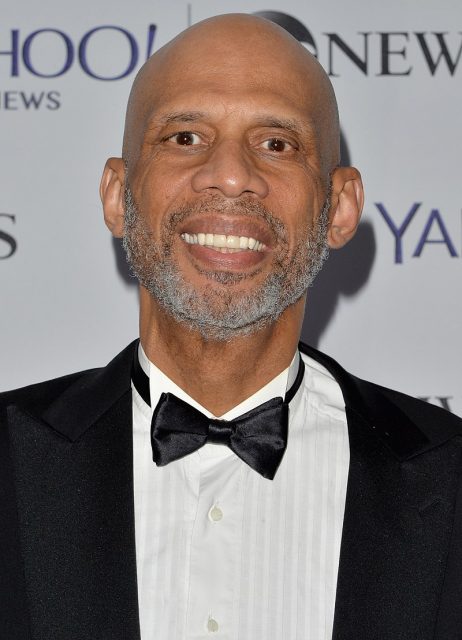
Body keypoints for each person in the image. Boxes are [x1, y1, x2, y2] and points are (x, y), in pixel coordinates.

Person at [1, 13, 461, 640]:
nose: (233, 175)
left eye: (276, 144)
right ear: (117, 194)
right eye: (185, 137)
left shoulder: (451, 478)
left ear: (341, 207)